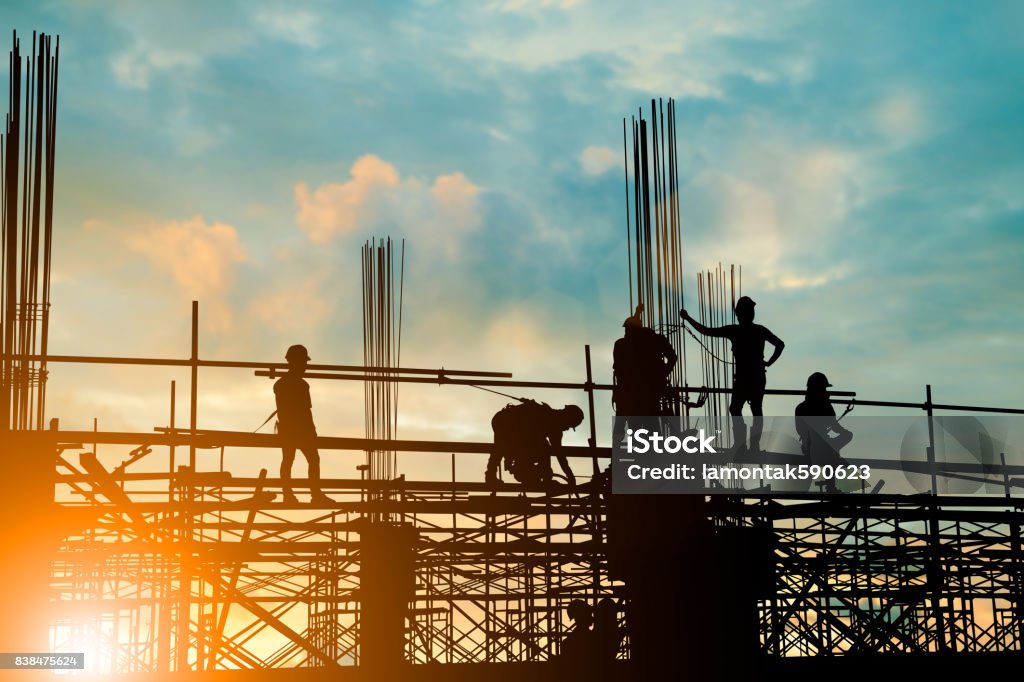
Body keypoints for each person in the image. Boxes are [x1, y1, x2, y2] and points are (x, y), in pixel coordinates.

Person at [680, 296, 784, 454]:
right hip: (756, 377)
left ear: (739, 314)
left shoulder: (736, 331)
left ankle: (742, 445)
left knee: (737, 409)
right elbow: (780, 344)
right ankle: (751, 446)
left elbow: (706, 331)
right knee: (755, 410)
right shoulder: (758, 330)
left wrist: (688, 318)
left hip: (745, 378)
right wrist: (769, 362)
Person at [274, 344, 332, 505]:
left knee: (289, 460)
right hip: (300, 430)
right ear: (295, 362)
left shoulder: (281, 384)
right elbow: (305, 411)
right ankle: (314, 494)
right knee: (311, 460)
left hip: (288, 430)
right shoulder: (300, 385)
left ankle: (289, 494)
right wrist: (311, 432)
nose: (305, 367)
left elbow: (287, 411)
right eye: (303, 363)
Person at [485, 400, 584, 487]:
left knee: (504, 447)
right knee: (502, 446)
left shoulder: (555, 428)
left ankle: (493, 475)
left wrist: (570, 475)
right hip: (505, 420)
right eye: (569, 425)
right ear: (566, 417)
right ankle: (491, 476)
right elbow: (541, 445)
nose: (567, 428)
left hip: (510, 423)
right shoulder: (546, 416)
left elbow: (559, 454)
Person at [795, 371, 853, 473]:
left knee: (833, 447)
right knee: (832, 450)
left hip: (811, 446)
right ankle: (833, 464)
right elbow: (834, 425)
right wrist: (826, 404)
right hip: (818, 446)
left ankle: (832, 465)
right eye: (823, 389)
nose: (825, 391)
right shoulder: (820, 406)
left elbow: (800, 430)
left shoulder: (800, 407)